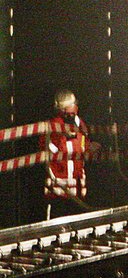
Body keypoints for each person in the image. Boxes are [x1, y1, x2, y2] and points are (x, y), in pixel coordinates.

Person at [41, 90, 97, 220]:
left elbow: (82, 145)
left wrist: (90, 147)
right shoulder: (52, 127)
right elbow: (48, 149)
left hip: (77, 191)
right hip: (58, 192)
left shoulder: (79, 123)